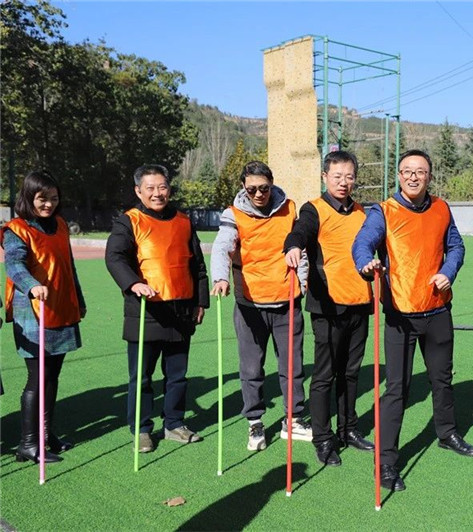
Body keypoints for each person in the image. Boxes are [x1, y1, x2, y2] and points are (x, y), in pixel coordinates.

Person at [352, 149, 473, 493]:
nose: (413, 177)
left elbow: (456, 247)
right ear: (398, 175)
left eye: (420, 171)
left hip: (438, 310)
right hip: (401, 315)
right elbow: (363, 244)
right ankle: (386, 462)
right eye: (407, 171)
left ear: (429, 177)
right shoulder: (383, 211)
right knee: (397, 389)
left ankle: (447, 433)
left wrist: (448, 271)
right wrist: (365, 263)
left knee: (442, 379)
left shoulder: (441, 208)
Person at [105, 164, 209, 453]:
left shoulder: (184, 221)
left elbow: (198, 265)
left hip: (181, 310)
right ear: (138, 191)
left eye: (162, 187)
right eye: (150, 188)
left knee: (177, 375)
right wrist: (133, 283)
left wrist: (200, 302)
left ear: (169, 189)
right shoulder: (129, 221)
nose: (157, 193)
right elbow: (115, 257)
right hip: (145, 311)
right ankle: (142, 429)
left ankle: (174, 424)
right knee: (142, 377)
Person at [210, 160, 311, 451]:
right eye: (252, 189)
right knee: (252, 368)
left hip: (286, 300)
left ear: (272, 184)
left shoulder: (289, 208)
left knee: (292, 366)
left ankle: (293, 419)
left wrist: (303, 281)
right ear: (243, 186)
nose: (258, 194)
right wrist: (220, 277)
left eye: (264, 188)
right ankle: (255, 422)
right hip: (250, 304)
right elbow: (222, 246)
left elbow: (299, 248)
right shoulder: (233, 213)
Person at [284, 151, 375, 467]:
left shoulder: (362, 212)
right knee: (325, 375)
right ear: (325, 177)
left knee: (350, 373)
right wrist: (293, 246)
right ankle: (323, 439)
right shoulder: (314, 209)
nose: (343, 182)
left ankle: (348, 429)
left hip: (360, 301)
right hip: (328, 305)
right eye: (337, 176)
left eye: (349, 176)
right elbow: (301, 231)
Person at [1, 170, 86, 463]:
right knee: (37, 377)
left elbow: (68, 265)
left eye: (53, 198)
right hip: (33, 310)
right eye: (42, 198)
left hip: (61, 306)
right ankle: (27, 443)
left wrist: (79, 300)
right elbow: (14, 265)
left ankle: (46, 435)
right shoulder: (16, 229)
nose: (49, 204)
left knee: (52, 376)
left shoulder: (60, 224)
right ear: (29, 197)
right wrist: (31, 285)